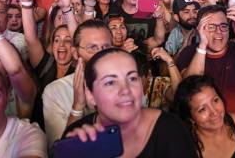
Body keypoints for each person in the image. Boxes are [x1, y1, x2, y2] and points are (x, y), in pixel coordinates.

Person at [62, 47, 198, 158]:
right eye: (110, 82)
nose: (125, 90)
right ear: (90, 95)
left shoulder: (170, 129)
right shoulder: (77, 139)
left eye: (132, 78)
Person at [176, 4, 235, 150]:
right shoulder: (189, 52)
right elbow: (190, 87)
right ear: (199, 29)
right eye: (210, 27)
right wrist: (202, 45)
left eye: (223, 26)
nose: (219, 32)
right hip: (204, 141)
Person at [42, 19, 112, 146]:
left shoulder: (126, 86)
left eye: (106, 47)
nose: (101, 54)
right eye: (92, 48)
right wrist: (77, 107)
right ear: (75, 53)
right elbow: (59, 150)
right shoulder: (55, 91)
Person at [173, 75, 235, 158]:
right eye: (202, 109)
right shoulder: (188, 149)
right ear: (190, 118)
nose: (214, 112)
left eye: (215, 100)